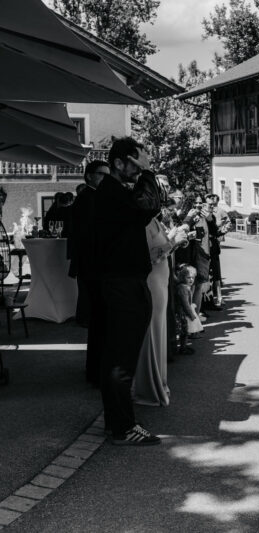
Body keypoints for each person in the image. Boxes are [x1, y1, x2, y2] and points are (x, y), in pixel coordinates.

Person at [95, 137, 161, 446]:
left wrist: (143, 170)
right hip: (123, 286)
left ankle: (116, 423)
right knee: (121, 360)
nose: (140, 172)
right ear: (119, 163)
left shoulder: (114, 193)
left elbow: (144, 208)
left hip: (122, 283)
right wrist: (149, 173)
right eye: (136, 165)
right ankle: (124, 427)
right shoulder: (112, 194)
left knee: (116, 359)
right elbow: (149, 204)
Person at [132, 177, 189, 407]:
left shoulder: (154, 220)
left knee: (159, 331)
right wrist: (173, 241)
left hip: (161, 280)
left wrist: (174, 239)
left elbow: (161, 249)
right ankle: (148, 387)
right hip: (152, 281)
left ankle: (159, 382)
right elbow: (148, 256)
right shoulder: (142, 223)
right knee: (151, 332)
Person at [67, 160, 109, 386]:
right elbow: (88, 237)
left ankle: (96, 370)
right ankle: (95, 372)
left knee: (98, 323)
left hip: (91, 268)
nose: (105, 178)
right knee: (97, 322)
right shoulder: (87, 200)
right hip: (92, 268)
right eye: (102, 174)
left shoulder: (92, 198)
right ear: (90, 176)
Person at [176, 263, 203, 354]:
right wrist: (191, 314)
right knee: (184, 332)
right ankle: (182, 348)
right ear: (183, 277)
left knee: (185, 331)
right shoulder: (183, 289)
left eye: (193, 277)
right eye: (188, 277)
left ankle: (183, 347)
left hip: (184, 313)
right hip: (183, 314)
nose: (191, 279)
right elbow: (185, 303)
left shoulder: (186, 287)